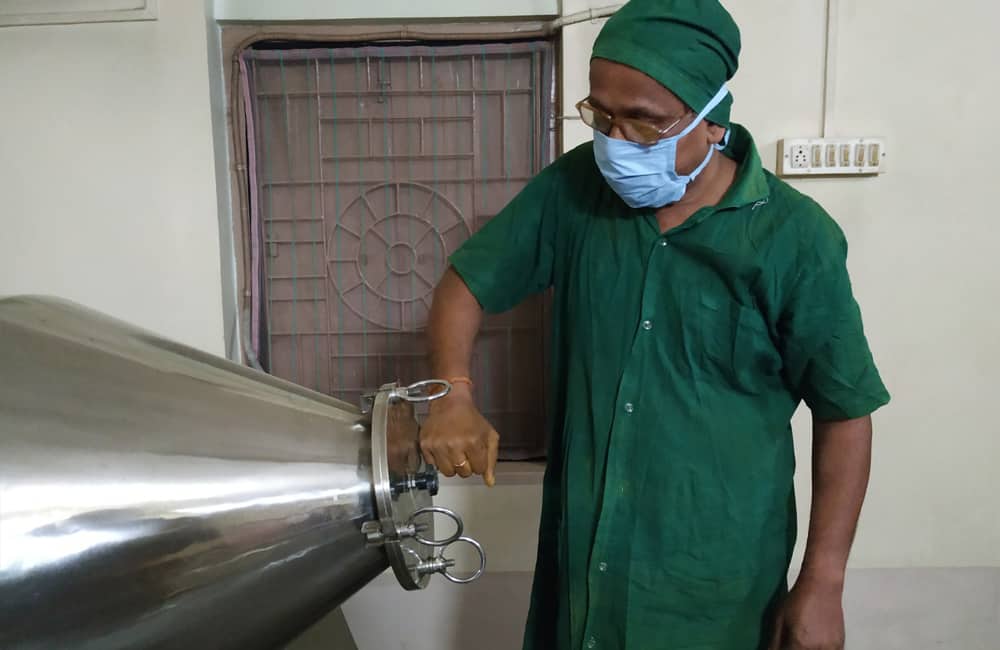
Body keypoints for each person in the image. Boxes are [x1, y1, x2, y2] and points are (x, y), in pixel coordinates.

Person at [419, 0, 890, 648]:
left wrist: (824, 583)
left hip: (712, 590)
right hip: (585, 572)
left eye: (643, 122)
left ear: (711, 121)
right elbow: (466, 282)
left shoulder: (794, 240)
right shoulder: (575, 191)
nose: (615, 140)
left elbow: (845, 412)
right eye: (601, 115)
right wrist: (453, 390)